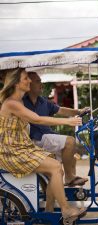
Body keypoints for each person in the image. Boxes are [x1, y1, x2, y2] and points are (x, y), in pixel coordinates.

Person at [0, 68, 86, 224]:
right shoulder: (12, 103)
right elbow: (37, 119)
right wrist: (67, 121)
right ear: (16, 83)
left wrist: (76, 113)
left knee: (56, 167)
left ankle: (49, 211)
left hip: (21, 148)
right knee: (54, 167)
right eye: (26, 78)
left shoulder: (18, 101)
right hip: (11, 152)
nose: (30, 81)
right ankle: (66, 211)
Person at [23, 71, 88, 187]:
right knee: (70, 141)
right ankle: (70, 178)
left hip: (45, 138)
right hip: (35, 139)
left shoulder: (43, 101)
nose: (41, 85)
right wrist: (68, 121)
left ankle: (54, 191)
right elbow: (37, 120)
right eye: (38, 82)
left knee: (71, 158)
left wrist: (79, 111)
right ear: (29, 84)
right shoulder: (21, 102)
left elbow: (61, 110)